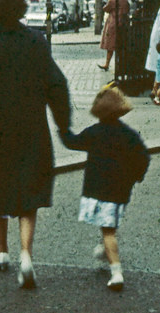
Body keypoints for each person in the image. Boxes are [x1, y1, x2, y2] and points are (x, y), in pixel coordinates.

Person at [0, 0, 71, 289]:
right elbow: (56, 85)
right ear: (22, 10)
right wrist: (64, 125)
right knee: (28, 190)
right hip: (30, 125)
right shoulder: (36, 42)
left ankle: (1, 251)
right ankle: (26, 255)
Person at [59, 85, 150, 291]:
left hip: (99, 189)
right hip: (120, 189)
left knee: (108, 230)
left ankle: (116, 270)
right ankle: (104, 249)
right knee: (109, 223)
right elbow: (143, 157)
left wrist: (62, 128)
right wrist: (137, 176)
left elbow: (73, 142)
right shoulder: (129, 134)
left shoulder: (94, 132)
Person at [98, 0, 130, 70]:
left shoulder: (112, 0)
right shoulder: (125, 1)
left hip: (113, 24)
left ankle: (107, 64)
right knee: (121, 45)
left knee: (110, 46)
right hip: (123, 24)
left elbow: (106, 9)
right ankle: (121, 65)